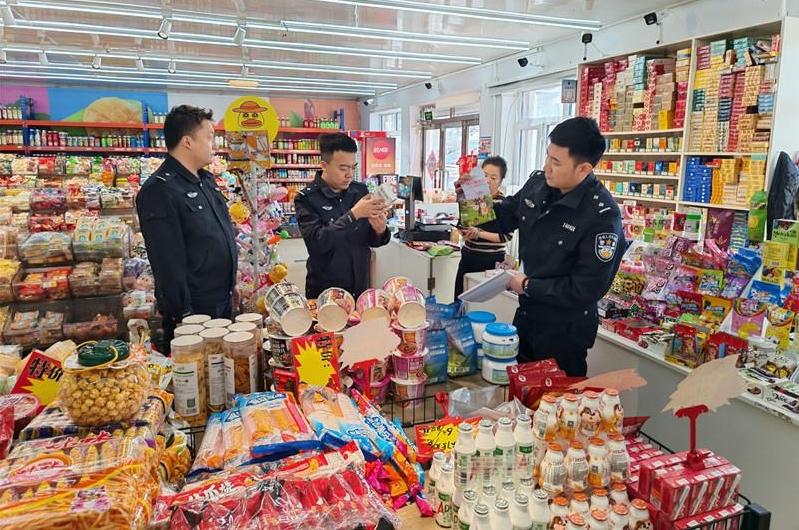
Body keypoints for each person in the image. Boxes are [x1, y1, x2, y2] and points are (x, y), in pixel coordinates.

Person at [474, 117, 625, 376]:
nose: (547, 167)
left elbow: (585, 289)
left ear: (584, 169)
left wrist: (527, 285)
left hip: (565, 332)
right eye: (547, 156)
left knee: (555, 399)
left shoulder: (601, 216)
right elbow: (500, 220)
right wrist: (470, 194)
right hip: (527, 316)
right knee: (518, 390)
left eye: (556, 162)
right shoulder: (538, 186)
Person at [137, 105, 237, 352]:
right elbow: (167, 261)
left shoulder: (205, 181)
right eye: (209, 137)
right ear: (187, 142)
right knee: (200, 372)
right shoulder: (160, 190)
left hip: (221, 299)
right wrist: (183, 313)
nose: (214, 144)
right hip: (195, 311)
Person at [294, 133, 391, 299]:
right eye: (343, 168)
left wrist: (380, 230)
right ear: (324, 165)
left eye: (353, 167)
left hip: (360, 287)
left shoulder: (360, 191)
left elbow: (370, 241)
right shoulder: (307, 198)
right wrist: (353, 215)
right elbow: (317, 243)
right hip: (326, 290)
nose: (349, 174)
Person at [454, 156, 513, 299]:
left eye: (493, 178)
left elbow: (505, 237)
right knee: (460, 299)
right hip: (468, 256)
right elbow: (463, 224)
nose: (487, 181)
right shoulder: (472, 198)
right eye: (485, 176)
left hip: (491, 261)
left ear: (500, 181)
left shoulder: (504, 204)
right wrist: (464, 232)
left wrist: (479, 233)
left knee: (483, 302)